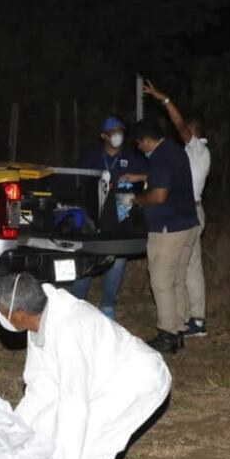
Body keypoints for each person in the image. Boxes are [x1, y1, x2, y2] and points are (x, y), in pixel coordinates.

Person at [0, 272, 171, 459]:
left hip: (136, 383)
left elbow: (73, 403)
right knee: (50, 440)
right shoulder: (38, 319)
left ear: (18, 313)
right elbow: (41, 388)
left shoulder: (68, 331)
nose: (0, 316)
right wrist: (13, 434)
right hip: (101, 381)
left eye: (3, 311)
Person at [143, 81, 211, 337]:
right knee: (187, 268)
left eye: (184, 130)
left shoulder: (197, 149)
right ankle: (187, 319)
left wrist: (165, 100)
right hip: (190, 212)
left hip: (188, 212)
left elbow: (180, 127)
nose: (178, 132)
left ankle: (190, 321)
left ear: (193, 131)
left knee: (185, 270)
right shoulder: (188, 155)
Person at [131, 117, 199, 354]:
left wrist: (135, 200)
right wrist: (140, 178)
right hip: (187, 225)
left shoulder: (159, 158)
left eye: (139, 144)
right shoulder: (174, 150)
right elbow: (166, 179)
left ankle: (167, 334)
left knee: (161, 281)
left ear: (147, 141)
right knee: (176, 279)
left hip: (168, 229)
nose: (139, 149)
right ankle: (178, 330)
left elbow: (158, 196)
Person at [70, 116, 148, 319]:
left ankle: (107, 306)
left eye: (120, 130)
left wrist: (137, 178)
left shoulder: (133, 158)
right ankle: (75, 304)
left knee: (118, 262)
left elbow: (154, 175)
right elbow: (74, 180)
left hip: (122, 219)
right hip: (93, 217)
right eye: (112, 131)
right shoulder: (91, 157)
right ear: (103, 135)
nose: (117, 134)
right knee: (87, 260)